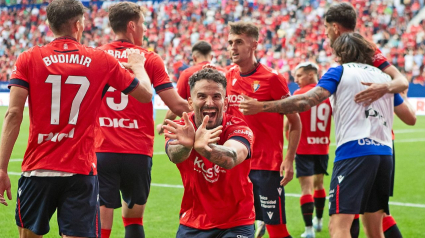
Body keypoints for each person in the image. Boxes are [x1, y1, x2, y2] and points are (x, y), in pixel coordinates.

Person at [0, 0, 153, 237]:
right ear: (78, 24)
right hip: (80, 170)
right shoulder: (100, 60)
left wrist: (1, 168)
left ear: (50, 25)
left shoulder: (28, 58)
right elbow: (145, 95)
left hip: (38, 168)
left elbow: (13, 114)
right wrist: (138, 65)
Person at [240, 32, 416, 238]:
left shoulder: (339, 72)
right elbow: (410, 118)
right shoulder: (384, 79)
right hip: (385, 155)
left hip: (354, 153)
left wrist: (261, 106)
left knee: (338, 227)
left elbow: (305, 101)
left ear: (339, 54)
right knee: (375, 229)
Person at [94, 3, 189, 238]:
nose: (145, 29)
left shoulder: (95, 56)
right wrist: (215, 113)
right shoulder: (149, 58)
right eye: (143, 24)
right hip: (137, 151)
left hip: (102, 149)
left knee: (101, 219)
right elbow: (176, 105)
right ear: (132, 25)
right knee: (134, 218)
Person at [323, 3, 410, 236]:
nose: (325, 34)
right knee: (372, 217)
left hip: (365, 141)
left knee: (347, 217)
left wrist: (385, 88)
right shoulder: (359, 57)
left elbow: (402, 82)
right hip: (382, 146)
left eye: (326, 28)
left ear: (335, 27)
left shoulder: (368, 52)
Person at [226, 21, 301, 238]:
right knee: (236, 227)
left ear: (254, 45)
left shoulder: (272, 79)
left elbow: (295, 122)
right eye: (230, 42)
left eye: (239, 42)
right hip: (235, 164)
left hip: (266, 166)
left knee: (277, 231)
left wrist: (289, 159)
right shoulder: (228, 75)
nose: (233, 47)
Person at [163, 68, 255, 238]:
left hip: (237, 222)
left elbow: (232, 157)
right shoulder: (182, 128)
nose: (210, 102)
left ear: (225, 103)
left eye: (216, 96)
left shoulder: (239, 127)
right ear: (190, 102)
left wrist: (204, 148)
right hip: (193, 220)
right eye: (202, 96)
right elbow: (174, 155)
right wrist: (187, 145)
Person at [290, 62, 332, 238]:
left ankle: (308, 231)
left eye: (299, 76)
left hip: (304, 148)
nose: (296, 80)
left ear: (310, 74)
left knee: (306, 189)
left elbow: (288, 124)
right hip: (322, 147)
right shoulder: (328, 95)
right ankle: (319, 221)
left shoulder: (299, 94)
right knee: (319, 184)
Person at [156, 40, 226, 135]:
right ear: (212, 57)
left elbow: (175, 106)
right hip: (222, 128)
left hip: (196, 130)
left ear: (194, 58)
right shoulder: (225, 73)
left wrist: (162, 126)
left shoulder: (187, 74)